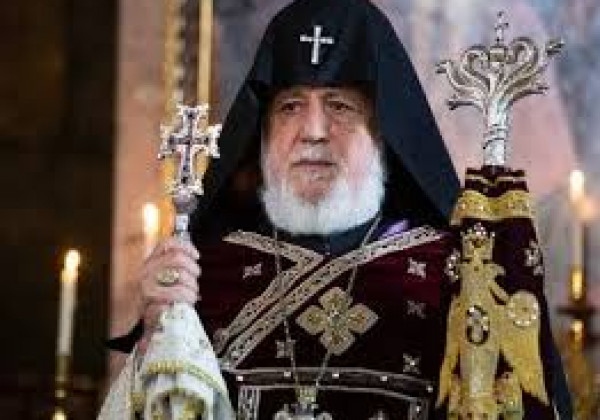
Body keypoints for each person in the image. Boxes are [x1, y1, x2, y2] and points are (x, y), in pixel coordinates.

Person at [108, 0, 571, 418]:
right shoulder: (205, 279)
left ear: (384, 131)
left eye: (340, 106)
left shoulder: (458, 278)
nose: (313, 130)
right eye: (290, 106)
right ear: (262, 132)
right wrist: (158, 335)